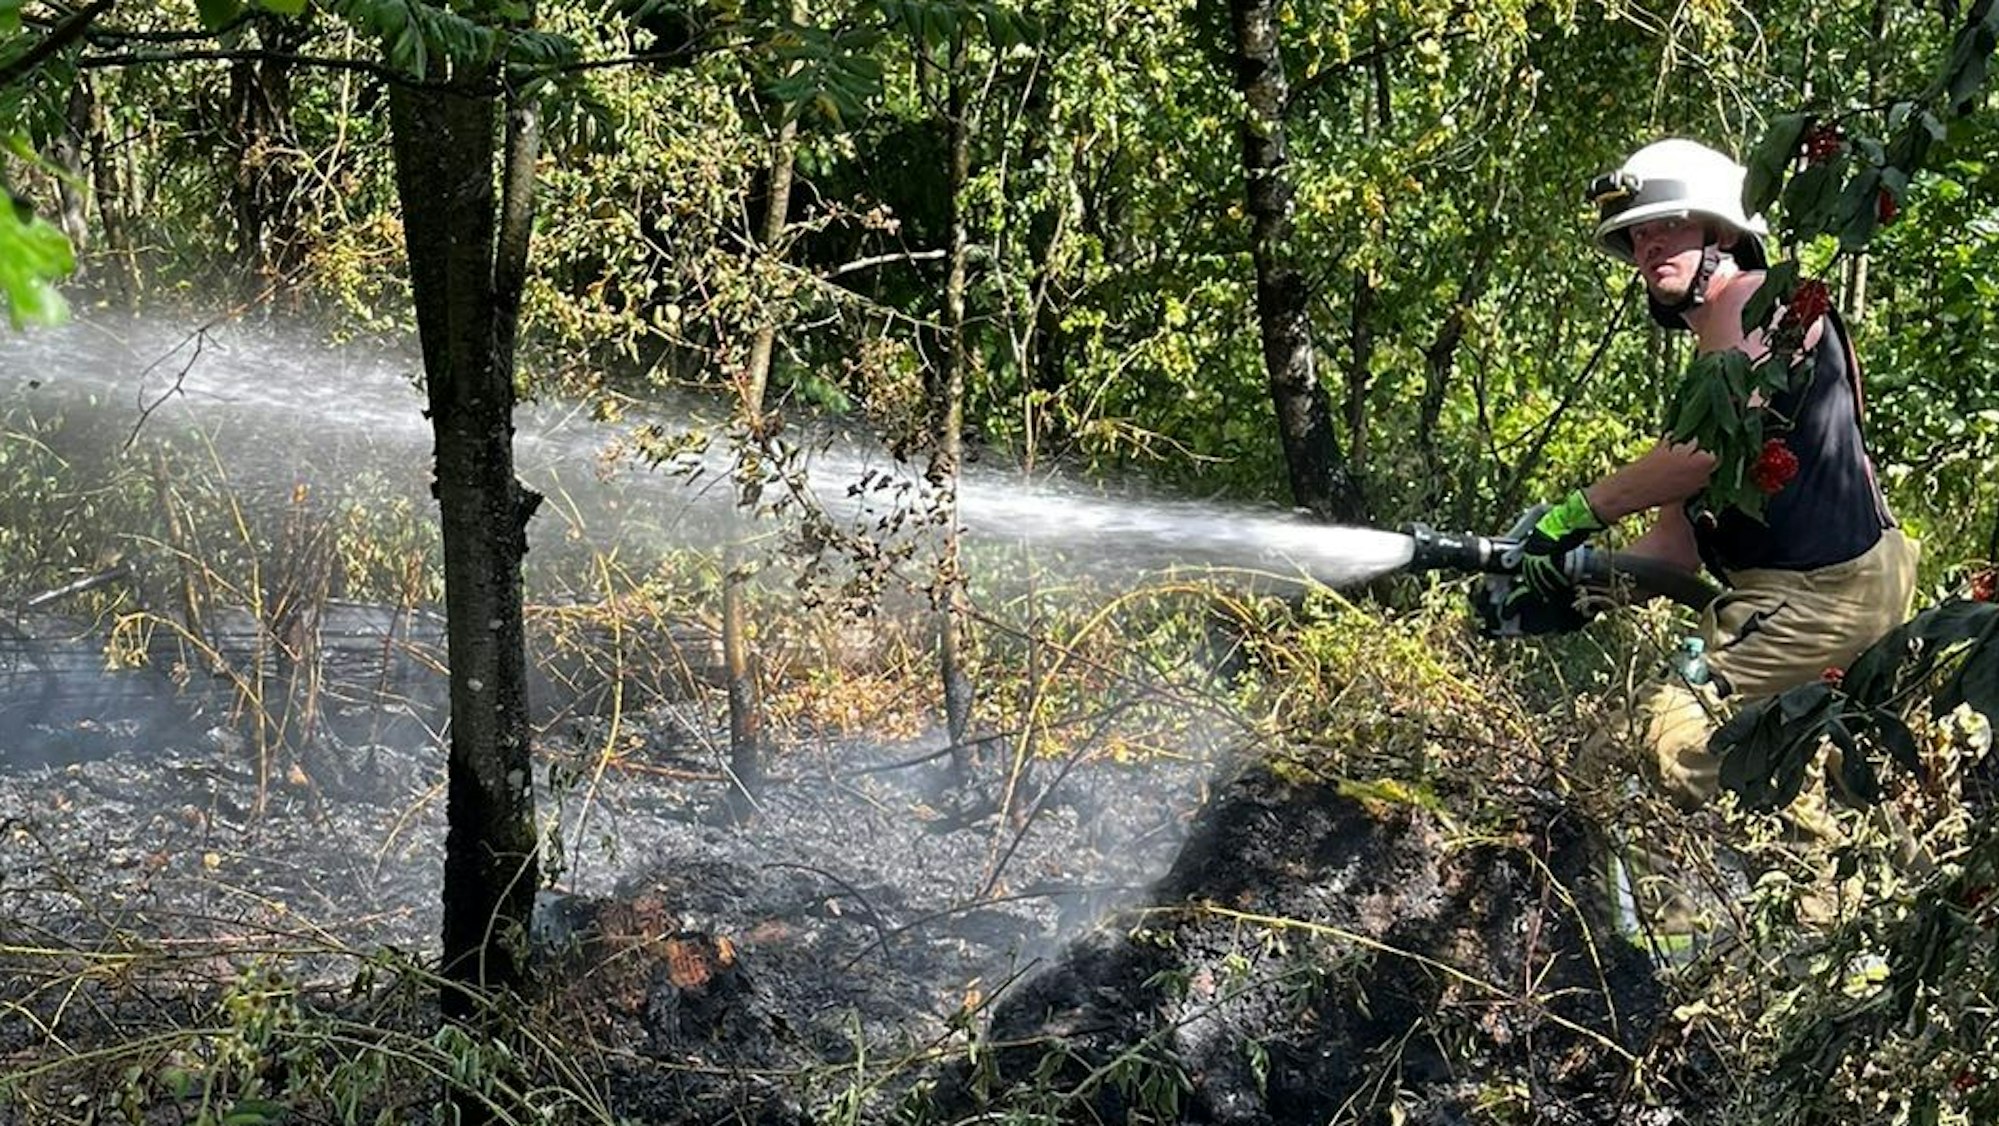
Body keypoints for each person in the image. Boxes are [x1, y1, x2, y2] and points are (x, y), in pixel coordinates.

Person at [1509, 139, 1919, 857]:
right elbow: (1674, 549)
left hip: (1820, 595)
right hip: (1817, 596)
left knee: (1647, 741)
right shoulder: (1708, 375)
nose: (1648, 245)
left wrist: (1574, 515)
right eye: (1637, 234)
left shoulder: (1768, 303)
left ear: (1723, 233)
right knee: (1813, 805)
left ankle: (1668, 923)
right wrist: (1572, 589)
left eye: (1669, 226)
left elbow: (1703, 456)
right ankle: (1867, 916)